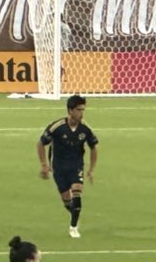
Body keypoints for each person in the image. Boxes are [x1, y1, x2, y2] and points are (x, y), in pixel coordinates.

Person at [37, 94, 99, 239]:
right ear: (70, 110)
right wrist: (44, 165)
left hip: (76, 166)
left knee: (77, 194)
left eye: (83, 110)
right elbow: (41, 143)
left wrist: (91, 169)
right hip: (58, 167)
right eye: (79, 110)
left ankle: (73, 228)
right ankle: (74, 212)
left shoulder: (85, 129)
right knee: (67, 201)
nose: (82, 113)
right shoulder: (57, 127)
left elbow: (94, 147)